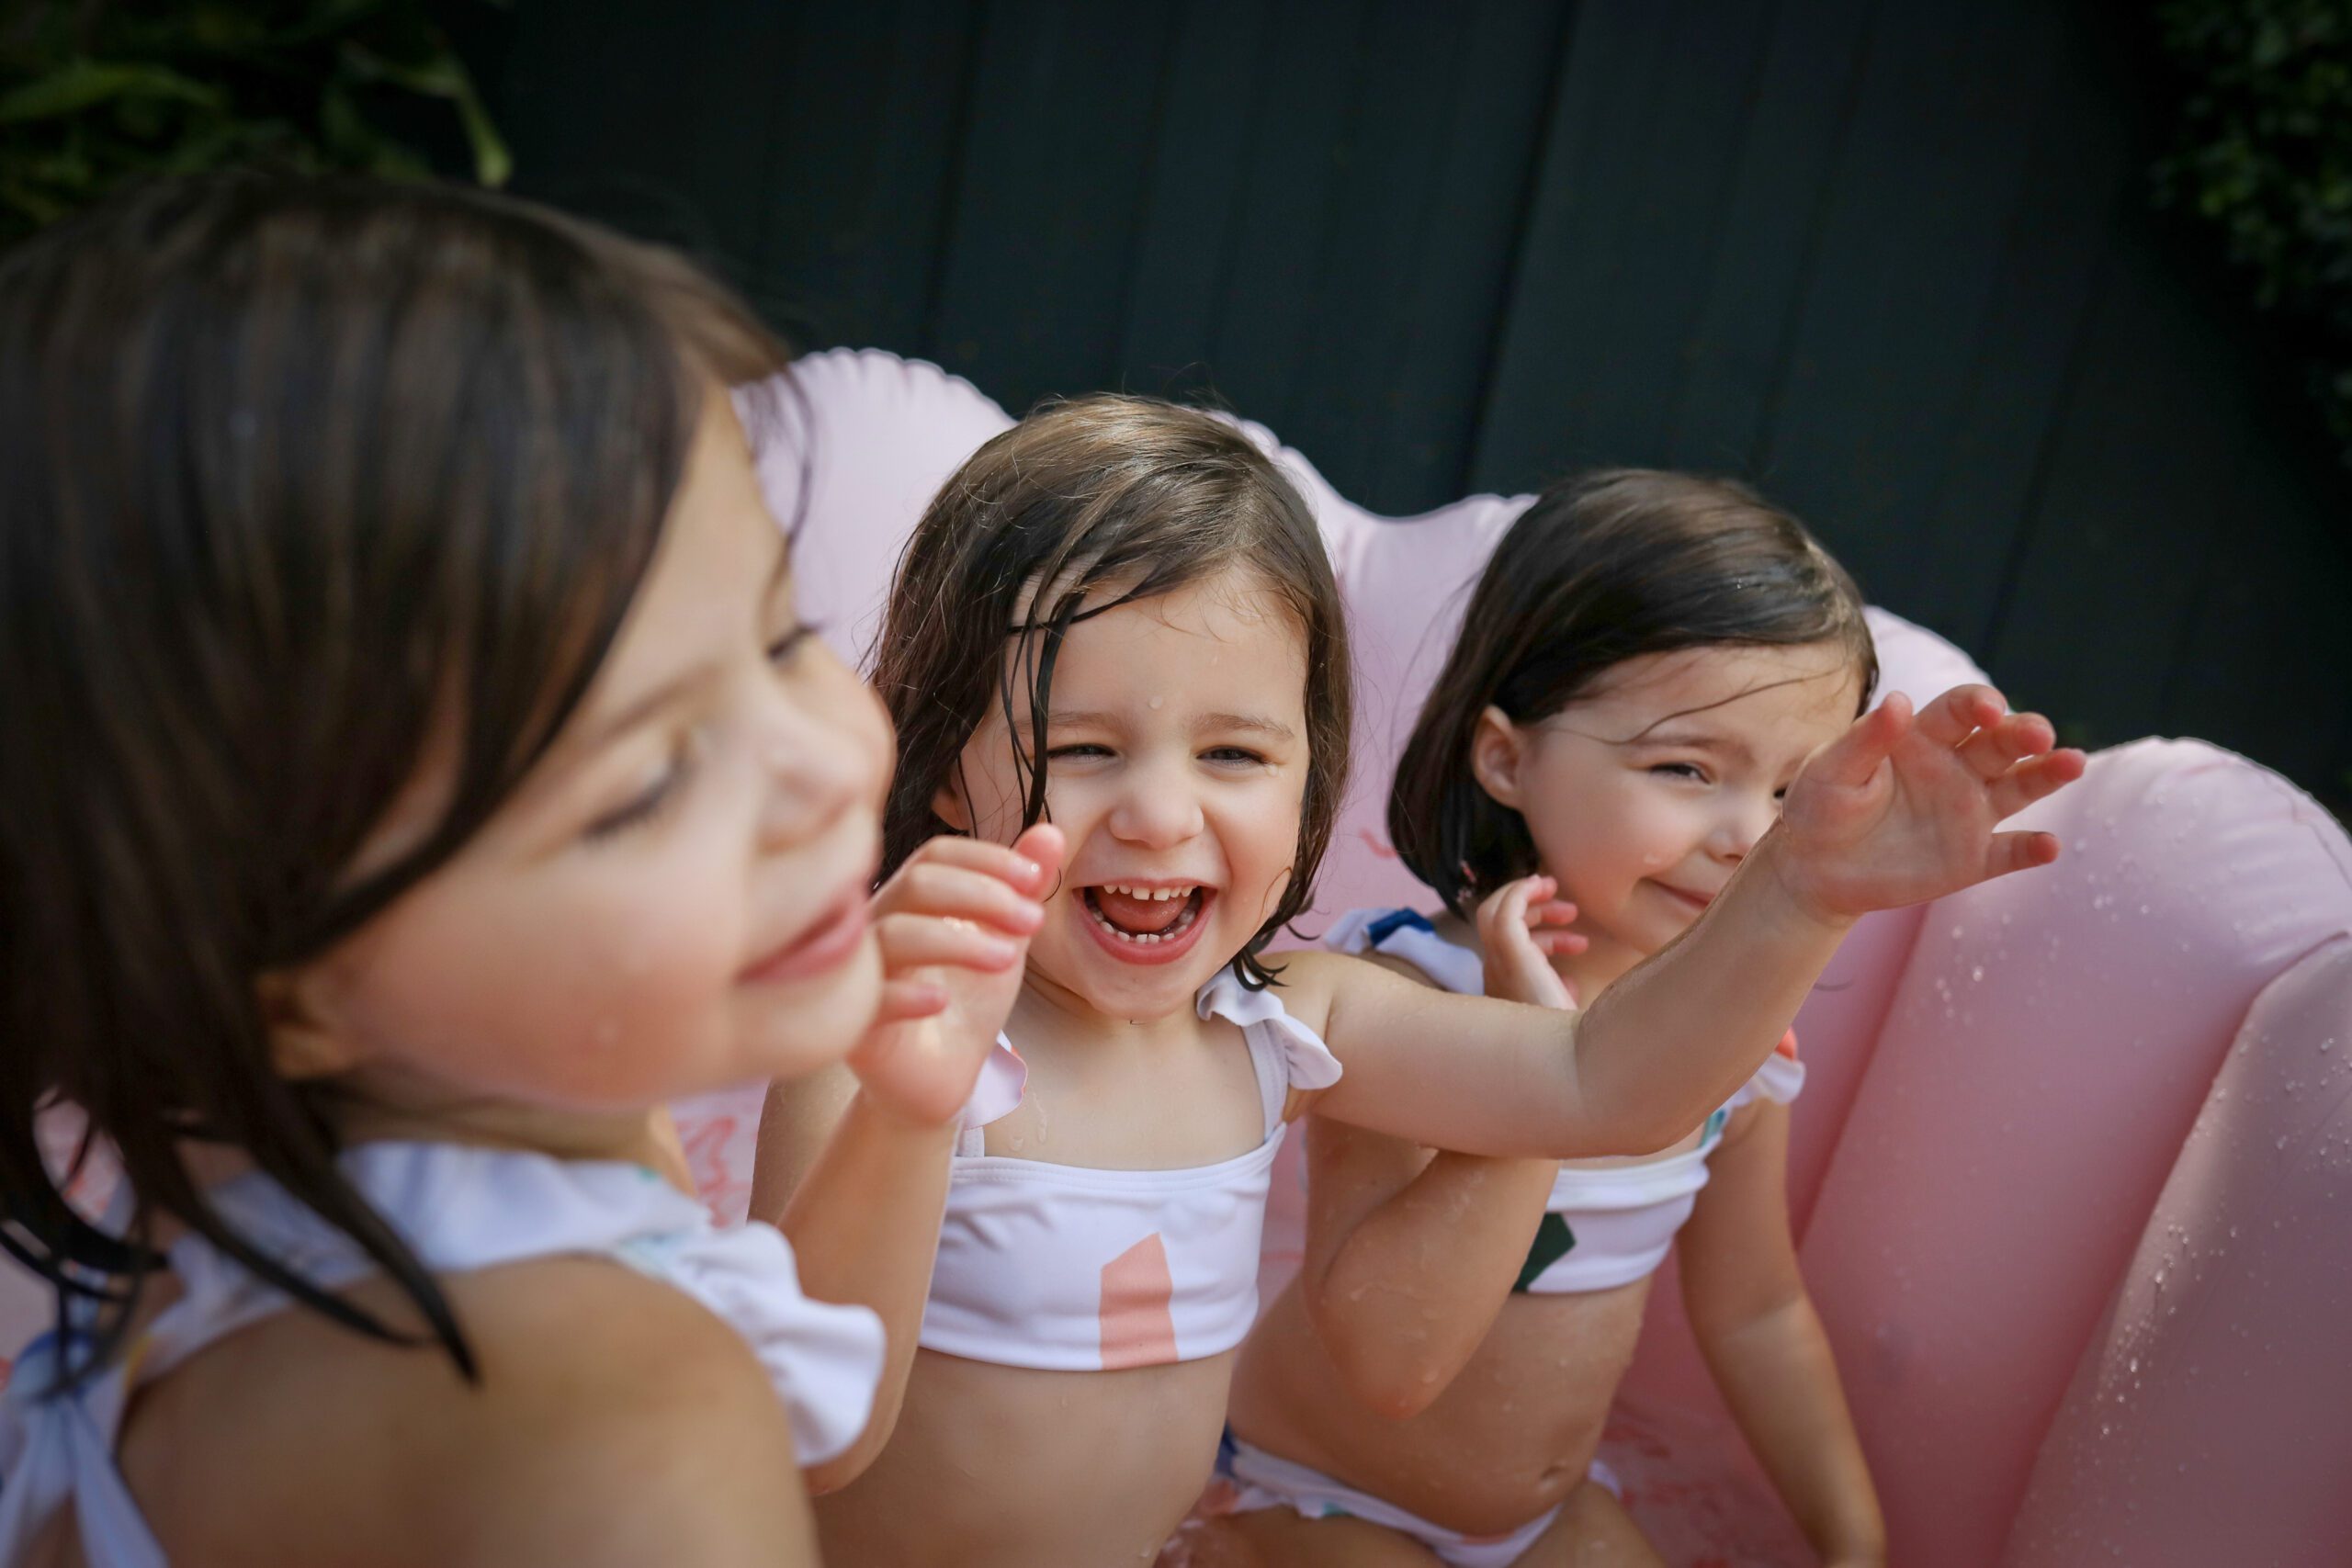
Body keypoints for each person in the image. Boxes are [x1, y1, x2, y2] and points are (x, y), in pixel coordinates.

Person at [755, 399, 2080, 1565]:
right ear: (943, 771)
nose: (1161, 813)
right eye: (1085, 747)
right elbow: (808, 1430)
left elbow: (1599, 1083)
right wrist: (906, 1113)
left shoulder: (1289, 1022)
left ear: (1312, 771)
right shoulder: (884, 1035)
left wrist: (1800, 890)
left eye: (1233, 753)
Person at [0, 173, 1047, 1566]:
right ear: (281, 970)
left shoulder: (263, 1219)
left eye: (783, 633)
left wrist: (899, 1116)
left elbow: (814, 1410)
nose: (827, 760)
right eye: (652, 776)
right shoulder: (622, 1438)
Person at [1217, 469, 1892, 1565]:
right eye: (1685, 769)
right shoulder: (1406, 998)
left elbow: (1754, 1313)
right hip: (1316, 1492)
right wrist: (1537, 1054)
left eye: (1791, 793)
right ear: (1507, 757)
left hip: (1542, 1519)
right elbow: (1386, 1360)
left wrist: (1857, 1543)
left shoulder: (1734, 1053)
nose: (1743, 836)